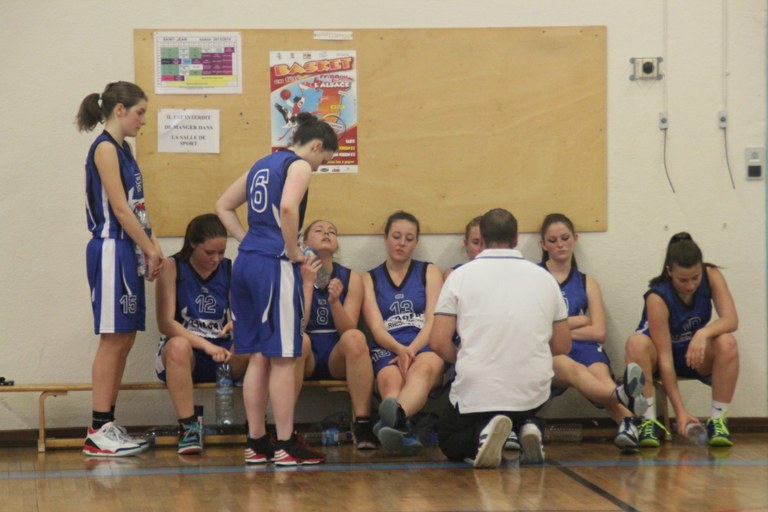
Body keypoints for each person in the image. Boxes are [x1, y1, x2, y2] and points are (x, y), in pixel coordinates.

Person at [215, 112, 338, 466]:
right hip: (273, 264)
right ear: (316, 146)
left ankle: (256, 442)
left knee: (257, 355)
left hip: (246, 262)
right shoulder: (298, 165)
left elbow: (222, 205)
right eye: (323, 160)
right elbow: (287, 207)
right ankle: (286, 443)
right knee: (284, 357)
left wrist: (247, 240)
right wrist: (294, 251)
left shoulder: (261, 164)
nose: (319, 167)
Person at [430, 208, 571, 468]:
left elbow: (438, 341)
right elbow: (563, 345)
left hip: (479, 386)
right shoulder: (545, 278)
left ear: (482, 238)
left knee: (449, 439)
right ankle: (527, 425)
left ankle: (485, 432)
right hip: (532, 389)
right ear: (516, 238)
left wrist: (463, 358)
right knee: (517, 404)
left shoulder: (460, 276)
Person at [77, 81, 164, 457]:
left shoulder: (124, 149)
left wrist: (152, 244)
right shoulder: (105, 149)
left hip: (128, 249)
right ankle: (97, 430)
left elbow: (137, 206)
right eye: (139, 112)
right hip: (111, 247)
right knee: (113, 339)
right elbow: (120, 209)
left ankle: (106, 423)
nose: (143, 120)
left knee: (125, 338)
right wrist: (148, 247)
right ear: (119, 110)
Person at [539, 213, 648, 454]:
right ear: (543, 245)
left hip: (581, 346)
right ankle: (625, 400)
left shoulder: (587, 282)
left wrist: (560, 328)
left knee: (600, 375)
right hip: (550, 349)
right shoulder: (535, 276)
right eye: (553, 240)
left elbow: (598, 332)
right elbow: (536, 327)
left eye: (565, 238)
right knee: (574, 369)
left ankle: (628, 426)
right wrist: (579, 320)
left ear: (575, 239)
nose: (560, 245)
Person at [625, 232, 739, 447]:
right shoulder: (657, 297)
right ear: (669, 271)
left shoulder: (712, 275)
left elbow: (731, 320)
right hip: (660, 358)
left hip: (691, 354)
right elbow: (666, 359)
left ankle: (718, 421)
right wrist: (680, 412)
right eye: (683, 280)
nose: (690, 285)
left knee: (727, 342)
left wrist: (702, 333)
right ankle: (647, 422)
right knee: (635, 343)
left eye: (695, 278)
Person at [155, 213, 248, 455]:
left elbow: (240, 313)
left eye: (221, 252)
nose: (216, 258)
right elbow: (165, 323)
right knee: (178, 346)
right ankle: (188, 427)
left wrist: (238, 323)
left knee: (256, 343)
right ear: (193, 243)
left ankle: (259, 427)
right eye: (209, 253)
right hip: (187, 354)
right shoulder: (172, 267)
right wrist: (206, 346)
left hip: (222, 353)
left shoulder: (228, 268)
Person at [362, 211, 445, 455]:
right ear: (385, 238)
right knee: (391, 381)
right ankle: (400, 430)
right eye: (396, 236)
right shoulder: (369, 278)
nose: (402, 243)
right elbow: (376, 328)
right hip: (388, 346)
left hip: (424, 344)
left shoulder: (429, 271)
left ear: (416, 242)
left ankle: (392, 423)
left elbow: (433, 320)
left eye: (409, 239)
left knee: (422, 369)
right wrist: (399, 350)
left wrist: (411, 351)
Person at [297, 219, 378, 450]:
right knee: (299, 341)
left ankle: (362, 424)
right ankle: (285, 432)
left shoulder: (351, 278)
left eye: (332, 231)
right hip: (307, 356)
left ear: (337, 245)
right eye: (319, 230)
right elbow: (298, 327)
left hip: (336, 356)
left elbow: (348, 329)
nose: (326, 233)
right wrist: (308, 286)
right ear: (304, 243)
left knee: (356, 338)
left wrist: (334, 302)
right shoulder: (293, 273)